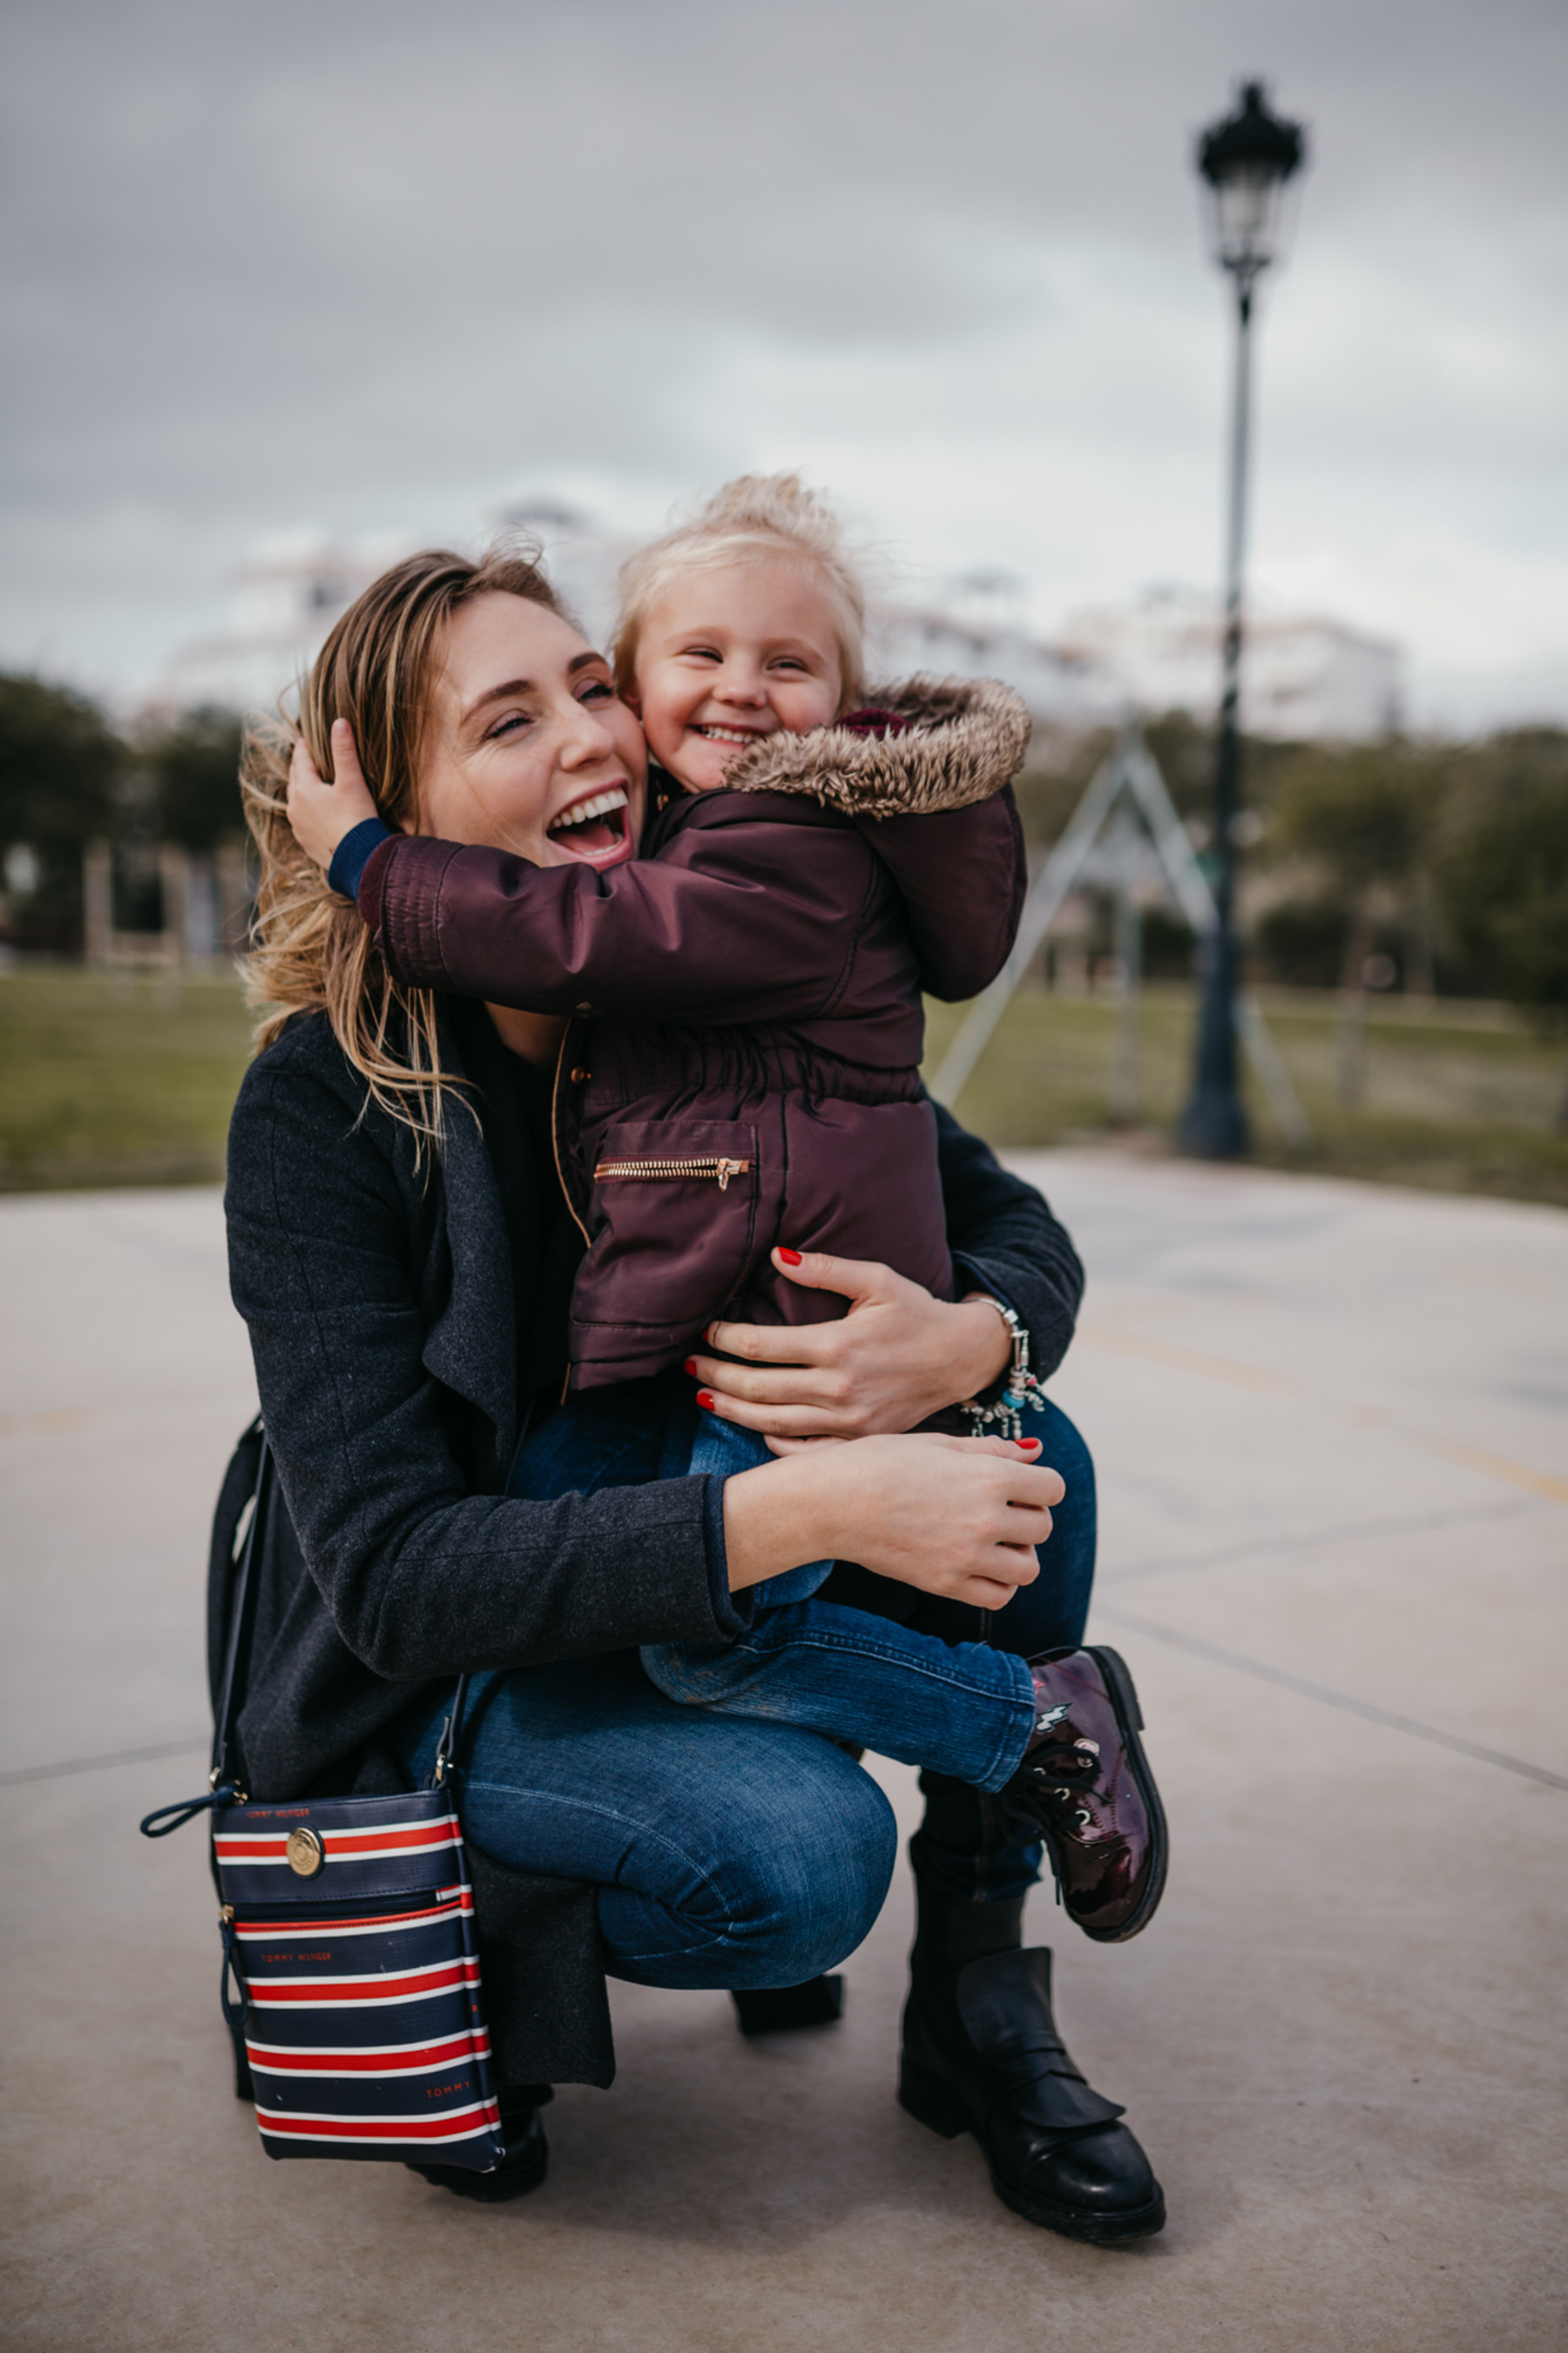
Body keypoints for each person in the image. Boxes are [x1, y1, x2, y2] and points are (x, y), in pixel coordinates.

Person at [228, 533, 1166, 2243]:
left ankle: (979, 1997)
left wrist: (967, 1338)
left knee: (1042, 1453)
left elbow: (1012, 1221)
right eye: (510, 720)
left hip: (671, 1546)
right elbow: (392, 1577)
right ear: (405, 820)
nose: (591, 737)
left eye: (594, 685)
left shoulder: (705, 998)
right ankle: (499, 1973)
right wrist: (810, 1504)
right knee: (793, 1862)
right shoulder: (327, 1104)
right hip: (457, 1671)